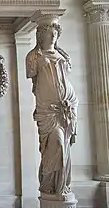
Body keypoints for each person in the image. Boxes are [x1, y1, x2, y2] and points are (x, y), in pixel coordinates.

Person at [25, 19, 77, 196]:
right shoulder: (35, 57)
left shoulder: (62, 56)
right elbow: (33, 76)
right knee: (55, 143)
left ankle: (61, 187)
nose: (53, 35)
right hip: (47, 111)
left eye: (55, 33)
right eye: (49, 32)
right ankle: (49, 185)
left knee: (64, 148)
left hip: (67, 109)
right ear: (41, 36)